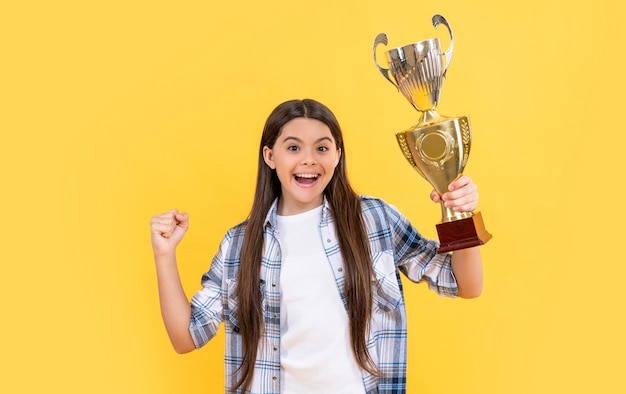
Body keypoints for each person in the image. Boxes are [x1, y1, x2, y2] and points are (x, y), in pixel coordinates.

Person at [150, 98, 484, 394]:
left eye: (322, 148)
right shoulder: (238, 244)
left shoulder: (375, 219)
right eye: (293, 148)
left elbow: (465, 284)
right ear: (270, 156)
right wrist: (164, 255)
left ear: (338, 155)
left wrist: (460, 212)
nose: (309, 160)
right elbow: (186, 337)